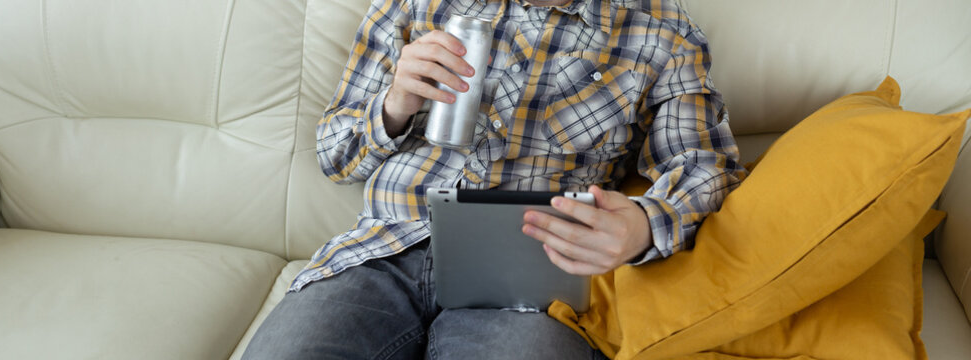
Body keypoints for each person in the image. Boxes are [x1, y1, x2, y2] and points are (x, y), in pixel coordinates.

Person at [243, 0, 746, 358]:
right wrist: (396, 104)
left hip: (527, 276)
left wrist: (643, 225)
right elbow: (335, 158)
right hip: (381, 253)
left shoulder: (661, 31)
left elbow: (704, 166)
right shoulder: (414, 6)